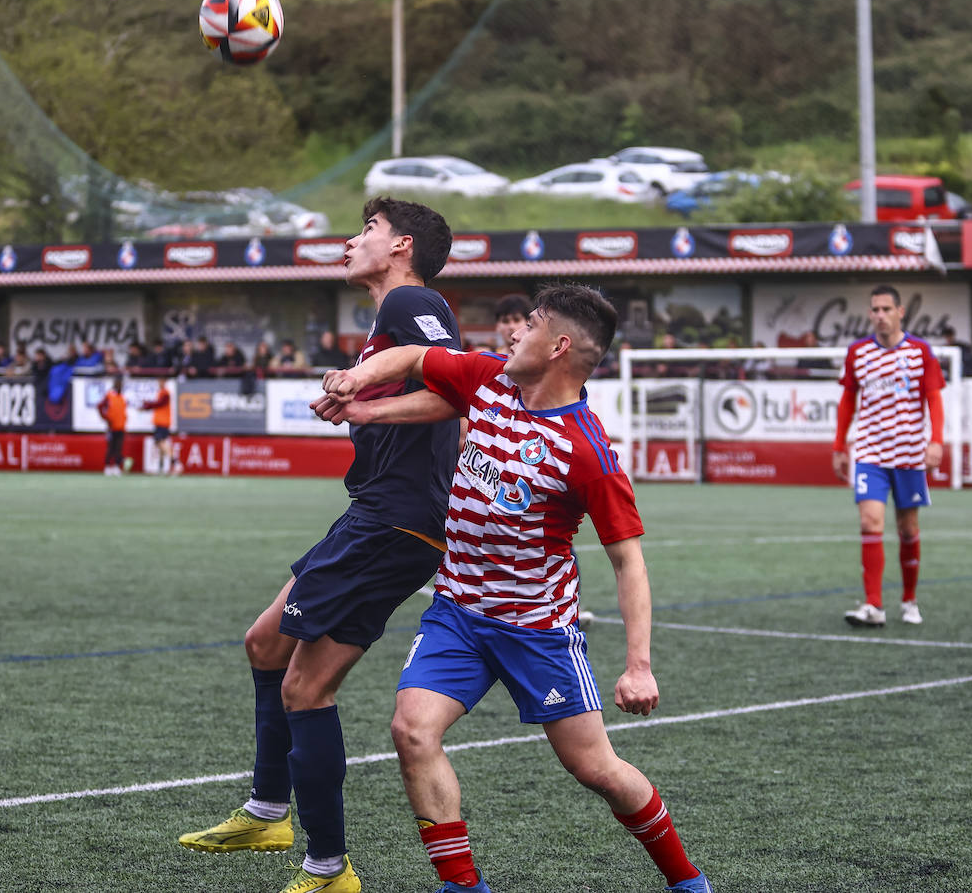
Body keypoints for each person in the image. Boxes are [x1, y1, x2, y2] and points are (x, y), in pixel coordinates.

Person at [312, 283, 712, 893]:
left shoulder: (587, 452)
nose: (512, 334)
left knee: (596, 769)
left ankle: (686, 880)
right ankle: (463, 887)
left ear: (557, 346)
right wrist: (357, 385)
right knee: (412, 730)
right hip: (459, 612)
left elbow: (629, 562)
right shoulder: (491, 380)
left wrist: (639, 666)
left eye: (529, 325)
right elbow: (417, 359)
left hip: (538, 631)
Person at [175, 197, 460, 893]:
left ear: (402, 246)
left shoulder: (412, 303)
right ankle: (269, 812)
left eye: (367, 230)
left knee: (305, 687)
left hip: (393, 523)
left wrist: (366, 404)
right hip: (381, 519)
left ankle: (328, 868)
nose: (350, 240)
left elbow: (457, 387)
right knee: (267, 644)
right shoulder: (390, 318)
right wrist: (367, 404)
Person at [832, 285, 944, 627]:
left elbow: (934, 399)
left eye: (885, 309)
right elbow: (848, 400)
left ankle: (909, 600)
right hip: (870, 452)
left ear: (900, 312)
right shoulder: (858, 352)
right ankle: (874, 605)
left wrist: (936, 441)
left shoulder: (920, 351)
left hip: (909, 454)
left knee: (908, 530)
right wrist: (840, 445)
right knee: (870, 522)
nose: (879, 315)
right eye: (874, 310)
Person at [140, 379, 179, 475]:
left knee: (160, 442)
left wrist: (147, 405)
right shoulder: (161, 392)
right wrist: (147, 406)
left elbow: (159, 404)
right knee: (161, 444)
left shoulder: (165, 393)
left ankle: (175, 461)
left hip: (163, 422)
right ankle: (161, 467)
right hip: (161, 422)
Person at [97, 375, 127, 476]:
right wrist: (105, 417)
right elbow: (100, 406)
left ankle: (117, 467)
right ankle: (107, 466)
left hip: (121, 426)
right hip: (112, 427)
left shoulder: (122, 398)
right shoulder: (109, 396)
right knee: (111, 447)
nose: (120, 386)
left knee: (119, 448)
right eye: (118, 384)